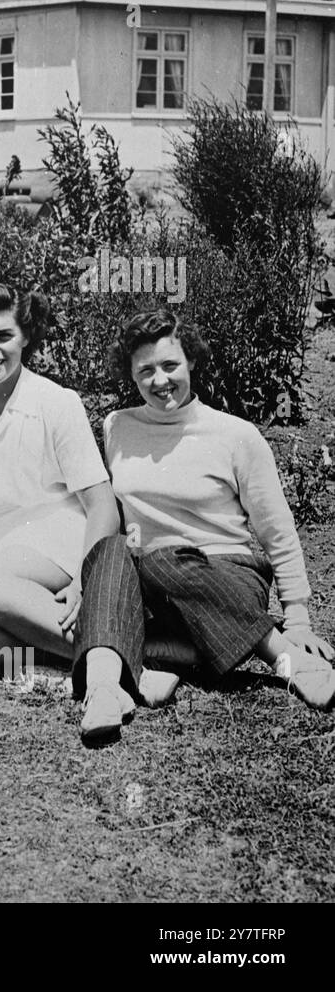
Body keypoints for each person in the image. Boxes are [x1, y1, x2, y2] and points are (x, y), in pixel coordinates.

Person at [71, 309, 335, 742]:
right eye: (146, 371)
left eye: (170, 365)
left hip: (225, 576)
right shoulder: (117, 427)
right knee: (113, 550)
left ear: (190, 360)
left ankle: (286, 657)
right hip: (154, 587)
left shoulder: (235, 435)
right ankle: (104, 690)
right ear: (131, 376)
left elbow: (277, 531)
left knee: (162, 559)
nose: (160, 381)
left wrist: (299, 617)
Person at [0, 280, 119, 670]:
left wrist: (86, 580)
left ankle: (130, 662)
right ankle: (66, 666)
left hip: (61, 540)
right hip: (3, 551)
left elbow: (103, 507)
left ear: (25, 336)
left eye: (4, 336)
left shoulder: (57, 402)